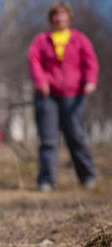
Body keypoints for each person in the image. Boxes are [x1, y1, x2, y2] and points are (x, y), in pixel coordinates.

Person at [28, 2, 99, 191]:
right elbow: (34, 61)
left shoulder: (80, 39)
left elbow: (90, 62)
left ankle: (88, 177)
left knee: (76, 136)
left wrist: (90, 81)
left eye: (63, 15)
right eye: (56, 15)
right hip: (48, 96)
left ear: (68, 17)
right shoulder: (42, 40)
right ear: (51, 18)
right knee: (49, 140)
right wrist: (41, 82)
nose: (59, 18)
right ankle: (46, 181)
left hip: (74, 96)